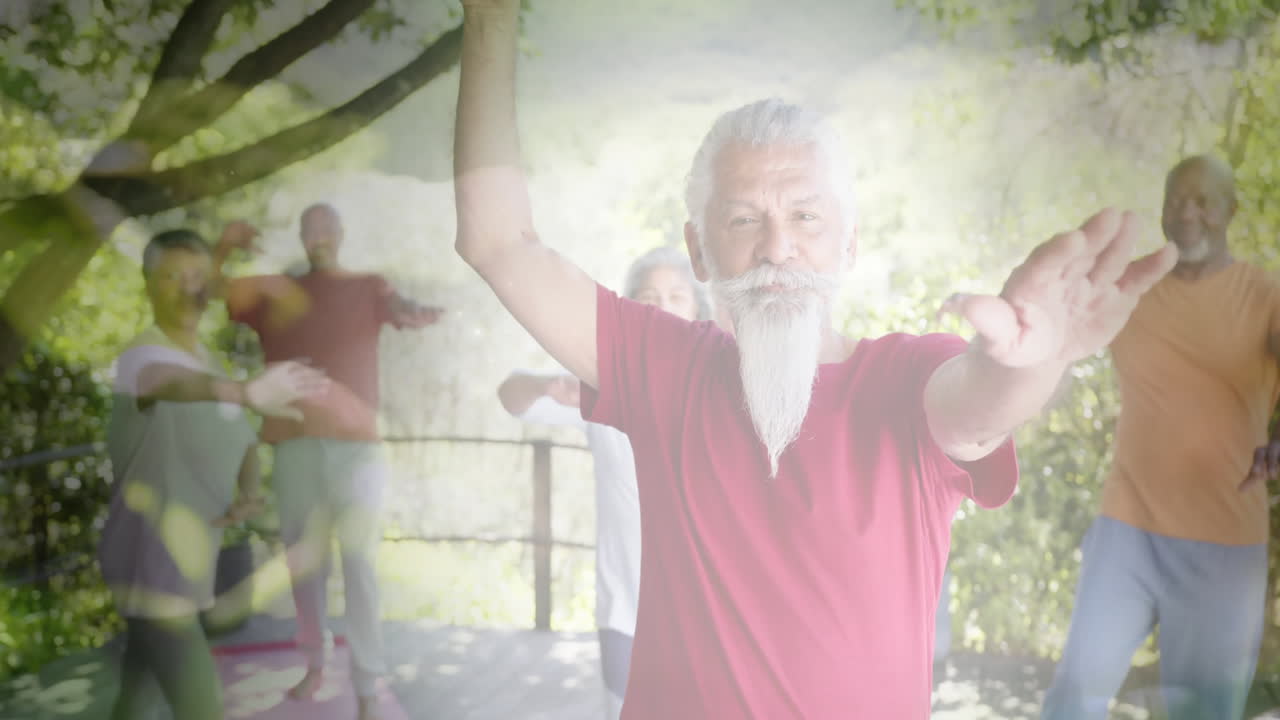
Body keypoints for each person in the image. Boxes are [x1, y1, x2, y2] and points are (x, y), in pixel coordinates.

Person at [452, 2, 1177, 717]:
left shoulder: (906, 375)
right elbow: (500, 244)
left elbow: (982, 404)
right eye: (743, 220)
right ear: (699, 247)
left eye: (805, 217)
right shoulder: (660, 366)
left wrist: (1031, 360)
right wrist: (490, 18)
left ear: (849, 243)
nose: (777, 248)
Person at [1040, 155, 1280, 720]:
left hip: (1224, 542)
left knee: (1204, 712)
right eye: (1177, 200)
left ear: (1230, 211)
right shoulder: (1135, 292)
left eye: (1203, 201)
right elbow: (1060, 360)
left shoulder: (1263, 295)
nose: (1188, 212)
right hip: (1126, 531)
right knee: (1073, 699)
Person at [219, 203, 442, 720]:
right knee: (305, 564)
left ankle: (366, 682)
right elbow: (216, 295)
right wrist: (225, 248)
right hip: (296, 449)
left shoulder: (369, 287)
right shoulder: (277, 292)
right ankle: (314, 662)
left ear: (340, 234)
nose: (317, 235)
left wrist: (437, 308)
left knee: (360, 563)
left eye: (326, 227)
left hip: (358, 452)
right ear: (302, 238)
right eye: (309, 228)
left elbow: (406, 309)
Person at [100, 227, 326, 720]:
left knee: (136, 698)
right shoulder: (143, 356)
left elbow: (241, 439)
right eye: (171, 276)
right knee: (201, 709)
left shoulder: (207, 359)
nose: (187, 287)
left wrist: (249, 490)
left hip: (185, 565)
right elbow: (173, 384)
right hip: (150, 565)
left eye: (198, 276)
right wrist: (244, 391)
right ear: (148, 283)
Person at [498, 246, 711, 720]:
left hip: (706, 619)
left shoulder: (718, 386)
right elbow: (511, 396)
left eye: (677, 296)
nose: (662, 307)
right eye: (648, 296)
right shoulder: (604, 386)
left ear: (697, 308)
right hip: (625, 613)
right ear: (631, 307)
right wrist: (547, 385)